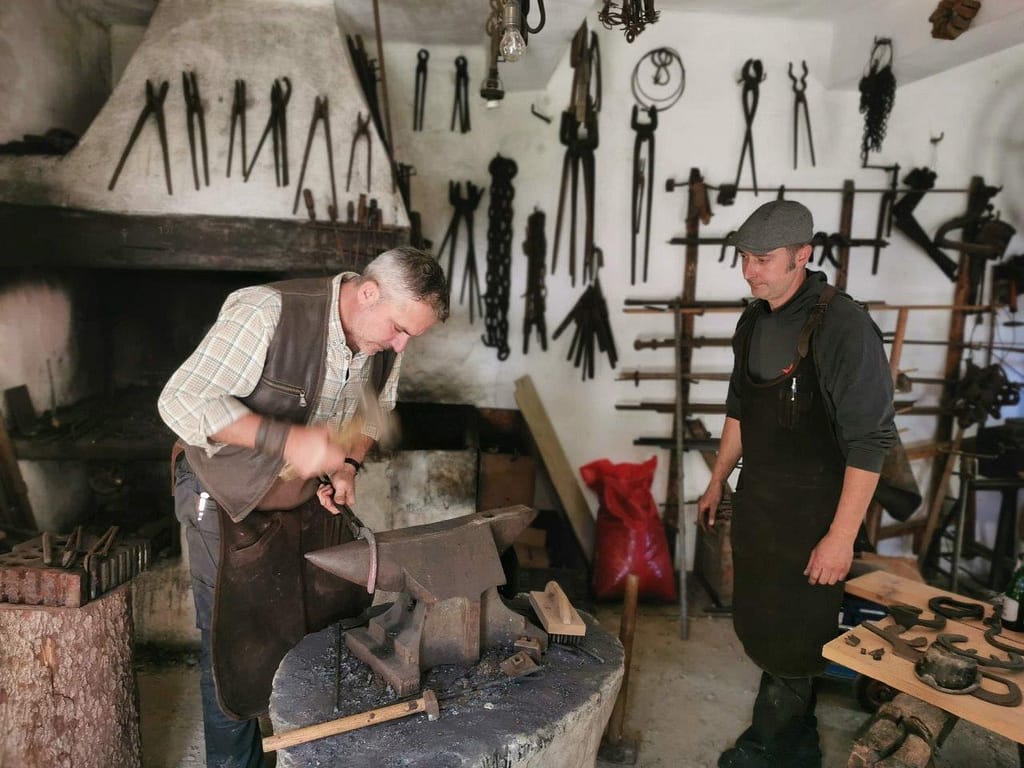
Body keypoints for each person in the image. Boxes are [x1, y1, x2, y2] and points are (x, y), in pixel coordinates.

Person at [158, 246, 448, 768]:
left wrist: (348, 466)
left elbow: (374, 410)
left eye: (411, 335)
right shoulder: (267, 312)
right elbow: (180, 401)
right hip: (223, 493)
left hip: (297, 494)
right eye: (399, 328)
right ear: (368, 293)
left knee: (322, 622)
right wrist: (288, 441)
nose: (402, 343)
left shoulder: (384, 340)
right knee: (234, 647)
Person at [697, 200, 896, 768]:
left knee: (798, 630)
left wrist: (841, 537)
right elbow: (740, 409)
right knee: (763, 620)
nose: (749, 271)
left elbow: (871, 442)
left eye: (762, 259)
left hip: (816, 514)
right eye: (744, 257)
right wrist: (716, 480)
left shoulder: (843, 326)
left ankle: (773, 746)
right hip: (761, 504)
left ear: (802, 255)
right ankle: (797, 740)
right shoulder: (753, 321)